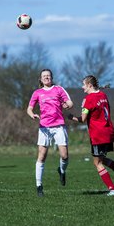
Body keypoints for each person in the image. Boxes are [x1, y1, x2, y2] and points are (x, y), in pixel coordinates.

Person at [68, 75, 114, 196]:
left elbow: (83, 119)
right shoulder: (103, 95)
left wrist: (71, 117)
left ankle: (112, 190)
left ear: (90, 85)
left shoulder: (88, 99)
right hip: (109, 131)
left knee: (97, 163)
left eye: (84, 85)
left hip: (98, 134)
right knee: (101, 159)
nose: (82, 87)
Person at [27, 69, 73, 197]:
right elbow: (29, 108)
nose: (46, 77)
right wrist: (32, 115)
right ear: (41, 79)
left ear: (51, 77)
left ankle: (62, 171)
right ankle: (39, 186)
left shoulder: (59, 89)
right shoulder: (37, 93)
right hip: (44, 127)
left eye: (48, 75)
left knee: (64, 156)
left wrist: (67, 105)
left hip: (59, 126)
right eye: (44, 76)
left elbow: (69, 102)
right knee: (42, 156)